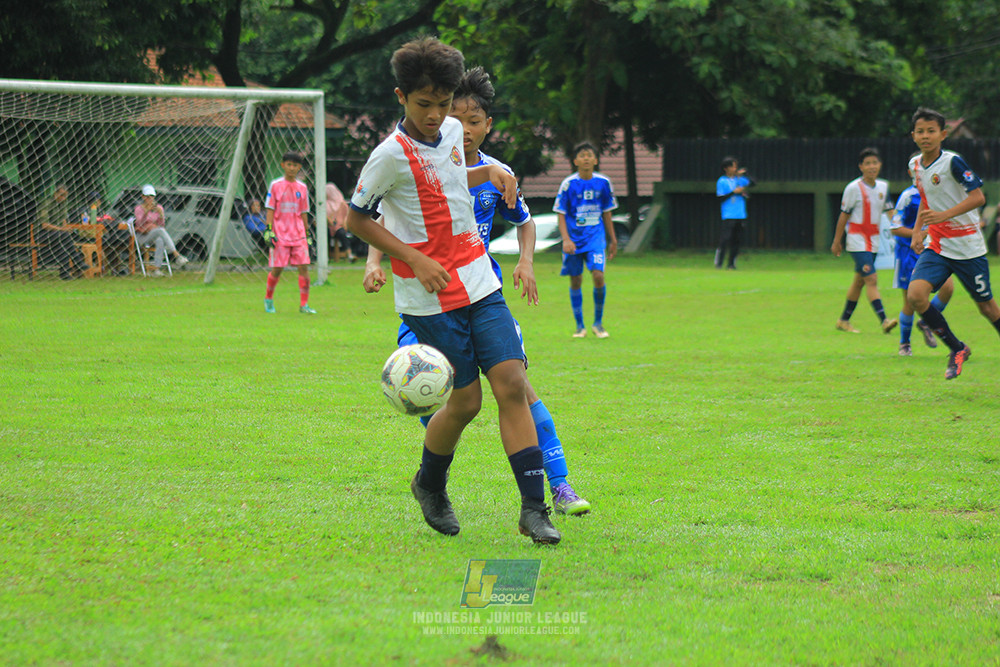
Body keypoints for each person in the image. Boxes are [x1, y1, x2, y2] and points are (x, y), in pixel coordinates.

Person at [345, 37, 560, 544]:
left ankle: (534, 510)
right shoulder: (387, 157)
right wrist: (413, 257)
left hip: (479, 280)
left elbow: (455, 183)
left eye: (444, 105)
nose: (437, 116)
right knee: (465, 404)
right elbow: (356, 219)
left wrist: (494, 172)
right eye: (426, 105)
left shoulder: (448, 135)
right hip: (429, 295)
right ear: (401, 96)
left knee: (511, 383)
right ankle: (430, 484)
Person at [906, 107, 1000, 379]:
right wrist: (917, 230)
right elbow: (925, 197)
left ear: (943, 134)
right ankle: (957, 349)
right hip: (938, 245)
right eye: (920, 131)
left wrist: (943, 215)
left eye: (931, 131)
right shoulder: (914, 165)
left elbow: (978, 198)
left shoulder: (952, 162)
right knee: (915, 295)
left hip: (968, 247)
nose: (926, 136)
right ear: (913, 136)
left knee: (987, 307)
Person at [889, 158, 954, 356]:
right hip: (909, 253)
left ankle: (926, 321)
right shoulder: (908, 196)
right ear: (912, 174)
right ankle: (904, 343)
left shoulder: (938, 193)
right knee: (910, 301)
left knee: (948, 288)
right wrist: (917, 234)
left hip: (933, 251)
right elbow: (895, 227)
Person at [830, 147, 898, 335]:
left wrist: (901, 231)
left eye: (874, 163)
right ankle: (884, 320)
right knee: (871, 278)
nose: (871, 167)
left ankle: (844, 320)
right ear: (861, 167)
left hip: (874, 240)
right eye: (867, 163)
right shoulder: (853, 188)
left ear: (880, 165)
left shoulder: (883, 186)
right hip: (857, 239)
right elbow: (844, 215)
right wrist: (837, 240)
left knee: (859, 282)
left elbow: (891, 211)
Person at [554, 141, 618, 339]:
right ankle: (580, 326)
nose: (586, 158)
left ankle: (598, 323)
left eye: (590, 155)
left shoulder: (603, 183)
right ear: (575, 161)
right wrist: (565, 239)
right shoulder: (568, 184)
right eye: (582, 155)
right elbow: (561, 213)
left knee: (598, 275)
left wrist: (612, 239)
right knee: (576, 279)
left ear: (596, 160)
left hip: (595, 238)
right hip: (573, 239)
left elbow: (607, 213)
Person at [263, 152, 315, 314]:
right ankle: (268, 299)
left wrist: (307, 233)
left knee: (303, 267)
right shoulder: (275, 185)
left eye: (295, 165)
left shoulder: (302, 187)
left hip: (298, 234)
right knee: (277, 268)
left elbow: (304, 212)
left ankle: (304, 305)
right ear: (282, 165)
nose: (292, 168)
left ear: (299, 167)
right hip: (280, 234)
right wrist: (269, 230)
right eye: (289, 164)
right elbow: (270, 208)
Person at [133, 185, 190, 277]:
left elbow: (162, 224)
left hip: (154, 234)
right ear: (143, 197)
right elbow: (139, 223)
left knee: (160, 240)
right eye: (147, 197)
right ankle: (177, 255)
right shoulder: (139, 209)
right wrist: (146, 212)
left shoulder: (158, 207)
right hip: (143, 236)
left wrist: (161, 214)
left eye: (151, 196)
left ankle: (157, 269)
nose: (150, 199)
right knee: (160, 231)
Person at [714, 156, 754, 269]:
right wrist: (734, 192)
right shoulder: (722, 181)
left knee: (737, 240)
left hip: (740, 214)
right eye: (733, 166)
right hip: (728, 214)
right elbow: (720, 198)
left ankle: (731, 264)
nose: (736, 168)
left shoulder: (739, 179)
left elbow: (753, 182)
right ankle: (719, 263)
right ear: (726, 168)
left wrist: (745, 174)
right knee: (725, 239)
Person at [36, 184, 82, 279]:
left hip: (57, 234)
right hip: (42, 234)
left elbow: (63, 221)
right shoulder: (46, 203)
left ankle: (65, 274)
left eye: (65, 196)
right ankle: (77, 261)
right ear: (55, 193)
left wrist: (67, 229)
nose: (63, 198)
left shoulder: (63, 204)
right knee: (63, 236)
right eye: (61, 195)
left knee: (63, 242)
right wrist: (62, 229)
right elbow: (44, 225)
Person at [326, 182, 354, 263]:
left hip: (339, 226)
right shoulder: (325, 203)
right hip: (328, 226)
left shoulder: (342, 203)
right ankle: (325, 256)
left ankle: (349, 254)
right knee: (325, 234)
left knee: (341, 233)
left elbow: (347, 214)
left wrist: (345, 223)